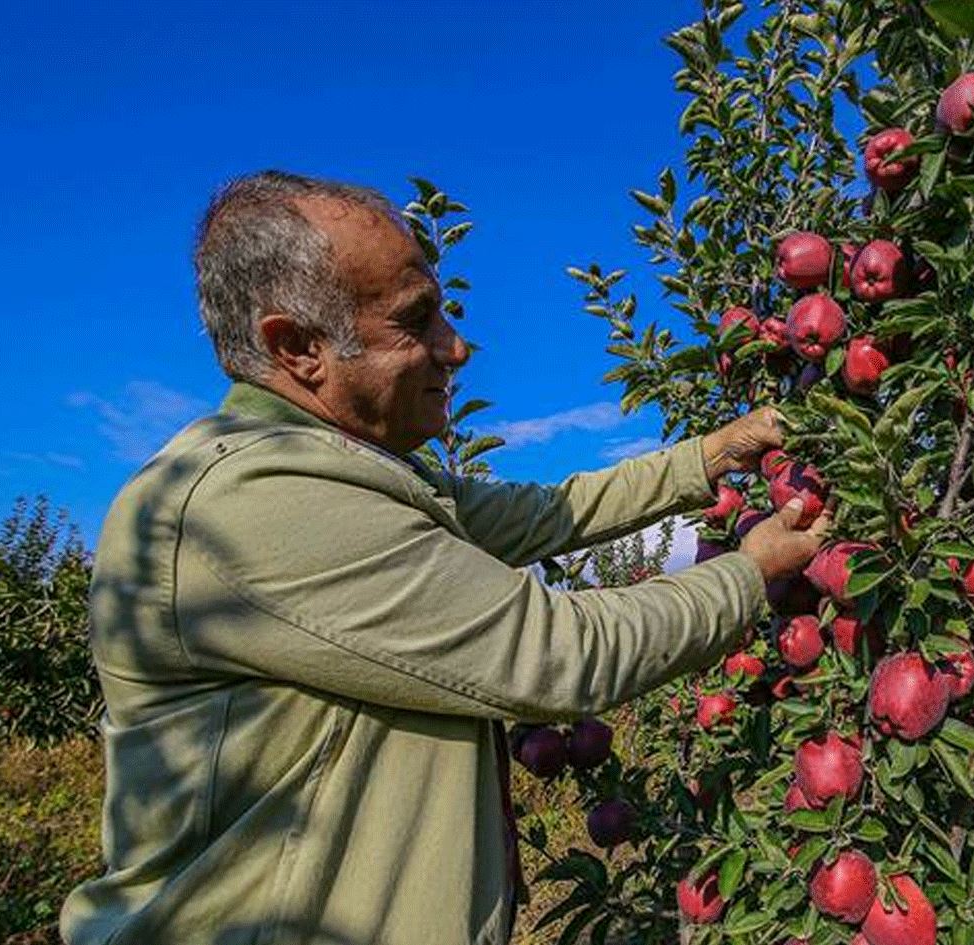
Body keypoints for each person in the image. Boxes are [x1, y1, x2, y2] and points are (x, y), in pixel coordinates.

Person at [60, 170, 829, 945]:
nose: (456, 347)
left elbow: (549, 512)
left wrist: (710, 455)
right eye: (414, 320)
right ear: (297, 346)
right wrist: (749, 572)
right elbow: (558, 655)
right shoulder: (249, 500)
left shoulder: (363, 475)